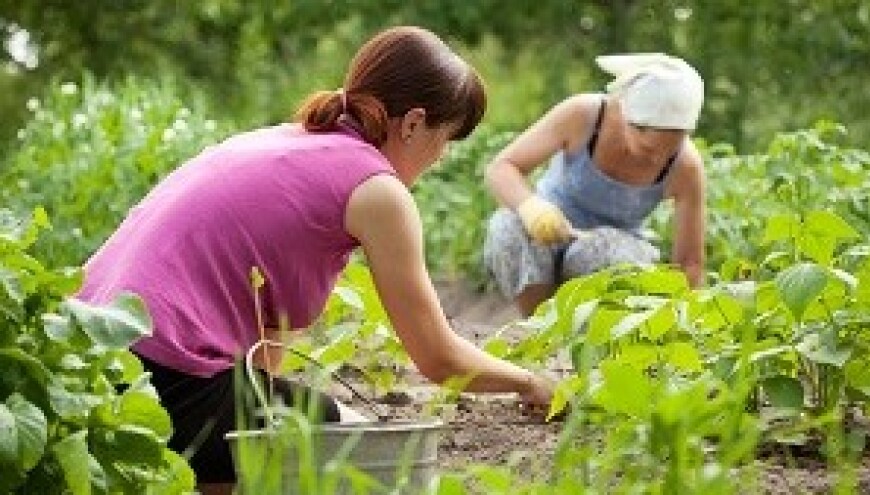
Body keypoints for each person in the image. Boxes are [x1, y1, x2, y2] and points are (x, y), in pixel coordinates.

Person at [77, 26, 554, 494]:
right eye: (445, 139)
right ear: (412, 123)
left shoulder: (291, 141)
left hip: (90, 353)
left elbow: (266, 341)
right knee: (360, 454)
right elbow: (436, 355)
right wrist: (529, 382)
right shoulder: (377, 191)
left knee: (269, 439)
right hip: (166, 373)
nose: (442, 157)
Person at [484, 53, 706, 316]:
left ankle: (592, 335)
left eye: (670, 150)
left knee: (592, 251)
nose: (657, 158)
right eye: (647, 149)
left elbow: (689, 262)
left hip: (612, 254)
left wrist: (681, 317)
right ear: (626, 119)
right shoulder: (583, 117)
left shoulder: (686, 167)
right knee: (508, 228)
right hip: (548, 235)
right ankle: (539, 328)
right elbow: (502, 168)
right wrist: (531, 207)